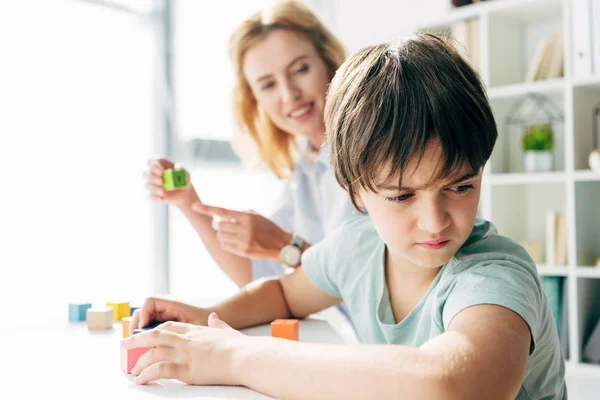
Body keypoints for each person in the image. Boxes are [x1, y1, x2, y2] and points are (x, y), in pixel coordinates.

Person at [124, 33, 566, 399]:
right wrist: (206, 316)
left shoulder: (495, 274)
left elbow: (453, 383)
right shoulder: (358, 243)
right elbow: (284, 294)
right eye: (401, 196)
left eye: (461, 186)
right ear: (355, 189)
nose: (435, 221)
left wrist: (233, 356)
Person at [144, 0, 355, 289]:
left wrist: (284, 245)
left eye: (301, 69)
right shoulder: (306, 167)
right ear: (254, 99)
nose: (289, 94)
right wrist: (188, 201)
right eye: (268, 85)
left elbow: (362, 278)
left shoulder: (369, 152)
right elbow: (258, 272)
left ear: (329, 62)